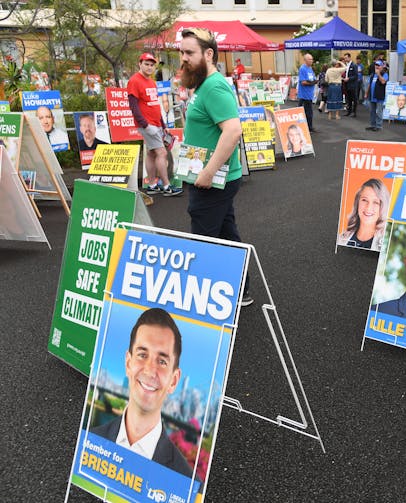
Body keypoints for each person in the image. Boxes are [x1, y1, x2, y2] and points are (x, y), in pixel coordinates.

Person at [179, 27, 252, 306]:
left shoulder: (215, 86)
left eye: (190, 52)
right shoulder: (202, 84)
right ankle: (240, 291)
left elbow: (233, 131)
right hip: (205, 175)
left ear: (208, 54)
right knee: (225, 234)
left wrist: (208, 172)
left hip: (213, 179)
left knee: (205, 240)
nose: (183, 58)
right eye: (182, 52)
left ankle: (208, 304)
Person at [90, 308, 193, 478]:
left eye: (162, 361)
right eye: (142, 355)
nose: (150, 371)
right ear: (128, 363)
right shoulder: (89, 441)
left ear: (174, 381)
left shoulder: (186, 480)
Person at [128, 52, 182, 196]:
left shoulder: (151, 82)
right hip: (148, 125)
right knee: (161, 152)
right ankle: (166, 186)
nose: (150, 67)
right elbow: (133, 106)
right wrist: (145, 125)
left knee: (152, 153)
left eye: (152, 65)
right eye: (146, 64)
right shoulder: (135, 80)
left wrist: (163, 126)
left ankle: (152, 184)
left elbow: (155, 105)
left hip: (156, 123)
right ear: (140, 64)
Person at [337, 178, 389, 250]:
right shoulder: (341, 238)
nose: (368, 207)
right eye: (364, 200)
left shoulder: (386, 244)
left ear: (383, 207)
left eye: (376, 202)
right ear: (357, 202)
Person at [365, 60, 388, 132]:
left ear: (382, 67)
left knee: (379, 111)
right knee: (372, 111)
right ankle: (373, 125)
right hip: (372, 96)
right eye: (376, 65)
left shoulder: (384, 74)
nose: (377, 66)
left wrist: (378, 74)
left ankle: (379, 126)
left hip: (379, 96)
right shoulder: (372, 74)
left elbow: (383, 82)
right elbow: (369, 84)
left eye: (378, 65)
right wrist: (366, 93)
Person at [297, 53, 317, 132]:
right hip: (304, 95)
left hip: (309, 94)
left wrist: (315, 81)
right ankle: (307, 128)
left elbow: (313, 78)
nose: (311, 61)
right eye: (310, 59)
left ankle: (309, 127)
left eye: (312, 59)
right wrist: (311, 83)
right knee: (306, 112)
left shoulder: (310, 68)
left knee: (309, 112)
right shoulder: (303, 68)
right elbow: (303, 82)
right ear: (305, 60)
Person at [343, 53, 359, 117]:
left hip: (352, 85)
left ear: (349, 57)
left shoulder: (354, 65)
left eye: (346, 58)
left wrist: (349, 78)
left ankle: (354, 112)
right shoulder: (346, 65)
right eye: (345, 58)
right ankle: (349, 111)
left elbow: (356, 76)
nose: (345, 59)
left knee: (354, 99)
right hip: (347, 84)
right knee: (348, 99)